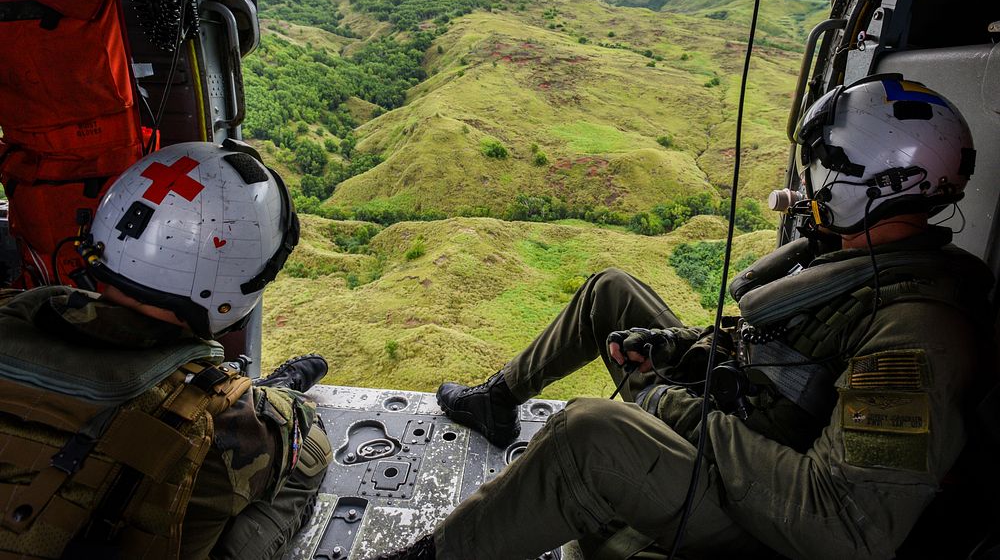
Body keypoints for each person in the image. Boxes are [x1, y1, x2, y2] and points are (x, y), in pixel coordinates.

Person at [375, 76, 995, 560]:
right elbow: (777, 351)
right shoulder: (862, 256)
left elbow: (842, 527)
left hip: (763, 520)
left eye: (828, 171)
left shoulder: (917, 336)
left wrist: (676, 406)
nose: (813, 186)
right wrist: (675, 349)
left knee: (586, 435)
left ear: (879, 183)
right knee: (611, 291)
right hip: (752, 422)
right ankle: (498, 398)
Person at [0, 140, 332, 559]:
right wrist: (269, 401)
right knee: (310, 447)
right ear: (234, 286)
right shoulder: (220, 421)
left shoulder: (14, 309)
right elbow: (295, 428)